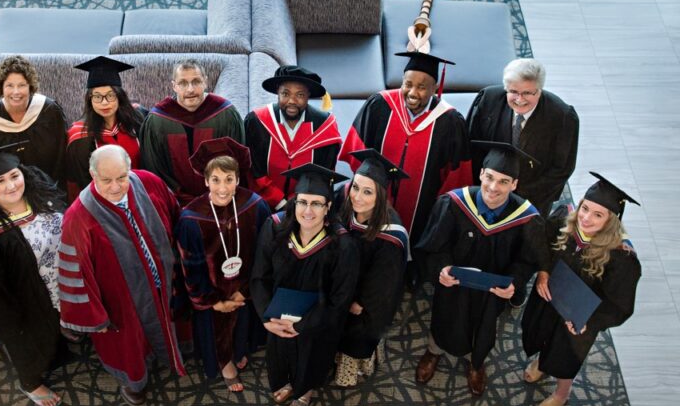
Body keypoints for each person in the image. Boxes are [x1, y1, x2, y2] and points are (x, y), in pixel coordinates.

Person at [58, 144, 185, 406]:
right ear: (93, 176)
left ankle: (169, 356)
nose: (116, 187)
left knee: (170, 322)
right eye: (106, 180)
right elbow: (76, 273)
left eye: (122, 177)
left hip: (163, 281)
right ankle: (134, 383)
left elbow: (176, 216)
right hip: (121, 300)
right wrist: (96, 315)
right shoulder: (79, 216)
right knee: (130, 344)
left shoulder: (148, 183)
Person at [415, 141, 545, 396]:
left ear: (515, 184)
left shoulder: (526, 218)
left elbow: (527, 260)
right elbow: (434, 244)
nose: (494, 187)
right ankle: (434, 351)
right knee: (444, 315)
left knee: (485, 324)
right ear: (481, 174)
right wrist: (441, 268)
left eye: (504, 181)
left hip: (491, 291)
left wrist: (514, 283)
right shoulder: (454, 203)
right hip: (453, 284)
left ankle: (476, 363)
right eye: (490, 178)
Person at [521, 173, 641, 406]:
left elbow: (620, 305)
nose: (586, 218)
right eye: (585, 208)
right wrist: (543, 272)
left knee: (565, 356)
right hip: (549, 298)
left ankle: (562, 393)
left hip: (578, 319)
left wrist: (589, 321)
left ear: (612, 221)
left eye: (598, 214)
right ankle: (543, 363)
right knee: (541, 333)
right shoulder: (563, 220)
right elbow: (542, 246)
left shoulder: (621, 258)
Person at [0, 145, 68, 406]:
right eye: (0, 180)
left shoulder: (41, 194)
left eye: (14, 176)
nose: (11, 185)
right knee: (29, 343)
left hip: (59, 283)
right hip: (24, 303)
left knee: (58, 330)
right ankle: (30, 382)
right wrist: (9, 325)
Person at [251, 163, 359, 406]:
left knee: (312, 354)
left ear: (328, 207)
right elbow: (259, 277)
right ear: (294, 202)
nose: (307, 211)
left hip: (318, 321)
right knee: (279, 350)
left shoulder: (342, 244)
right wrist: (268, 318)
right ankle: (286, 382)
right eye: (302, 202)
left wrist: (304, 325)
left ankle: (304, 392)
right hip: (277, 317)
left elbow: (340, 298)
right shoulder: (275, 228)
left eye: (316, 204)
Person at [339, 52, 473, 257]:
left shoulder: (450, 121)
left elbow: (456, 176)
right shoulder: (379, 105)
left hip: (421, 210)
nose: (412, 92)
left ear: (435, 87)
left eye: (421, 87)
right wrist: (368, 189)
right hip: (374, 200)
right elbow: (358, 151)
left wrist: (439, 211)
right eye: (407, 84)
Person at [174, 138, 272, 392]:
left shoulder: (255, 207)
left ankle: (239, 350)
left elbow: (264, 254)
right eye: (215, 179)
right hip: (212, 294)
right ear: (205, 181)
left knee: (242, 326)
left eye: (229, 179)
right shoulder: (191, 218)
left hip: (243, 289)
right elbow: (190, 267)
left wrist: (246, 291)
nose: (222, 187)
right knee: (216, 329)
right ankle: (224, 362)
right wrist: (214, 300)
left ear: (238, 179)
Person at [331, 149, 409, 388]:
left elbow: (384, 282)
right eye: (355, 187)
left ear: (381, 195)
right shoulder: (342, 201)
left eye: (367, 192)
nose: (357, 197)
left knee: (355, 331)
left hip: (363, 298)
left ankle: (350, 368)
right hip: (337, 285)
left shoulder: (391, 234)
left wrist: (358, 301)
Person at [466, 58, 579, 217]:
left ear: (539, 90)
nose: (519, 99)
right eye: (513, 92)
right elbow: (471, 147)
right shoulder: (488, 100)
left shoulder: (562, 117)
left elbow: (562, 168)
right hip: (486, 191)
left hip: (531, 201)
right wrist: (486, 186)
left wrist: (517, 196)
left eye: (527, 93)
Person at [139, 58, 244, 205]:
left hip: (220, 198)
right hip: (174, 203)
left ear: (205, 82)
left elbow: (237, 163)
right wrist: (177, 198)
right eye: (182, 83)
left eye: (196, 82)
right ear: (174, 86)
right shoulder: (157, 121)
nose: (190, 89)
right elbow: (154, 168)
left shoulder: (225, 114)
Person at [245, 65, 342, 210]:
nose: (292, 100)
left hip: (306, 208)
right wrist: (280, 203)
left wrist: (298, 204)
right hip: (262, 204)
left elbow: (323, 175)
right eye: (285, 93)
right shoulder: (257, 122)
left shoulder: (325, 127)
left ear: (308, 95)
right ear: (277, 92)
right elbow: (253, 170)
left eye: (300, 95)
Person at [0, 55, 67, 185]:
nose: (16, 92)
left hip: (50, 186)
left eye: (22, 85)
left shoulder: (49, 111)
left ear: (30, 87)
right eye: (10, 86)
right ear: (1, 88)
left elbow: (61, 156)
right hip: (9, 190)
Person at [65, 56, 147, 201]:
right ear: (89, 100)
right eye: (97, 97)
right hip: (103, 201)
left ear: (120, 97)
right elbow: (81, 184)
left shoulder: (138, 119)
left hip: (141, 193)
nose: (104, 103)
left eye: (110, 95)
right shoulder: (79, 137)